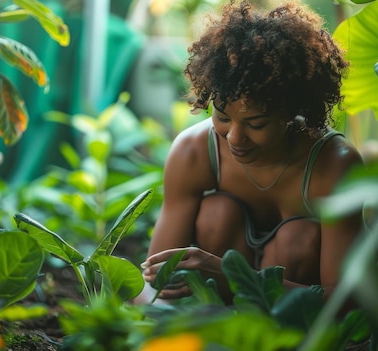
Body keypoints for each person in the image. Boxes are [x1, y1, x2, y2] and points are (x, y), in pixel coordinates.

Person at [139, 0, 363, 304]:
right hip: (217, 310)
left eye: (256, 123)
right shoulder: (194, 152)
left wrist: (231, 273)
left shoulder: (333, 165)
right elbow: (154, 282)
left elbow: (344, 299)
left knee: (299, 237)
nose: (235, 137)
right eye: (222, 116)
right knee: (216, 213)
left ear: (293, 111)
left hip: (295, 315)